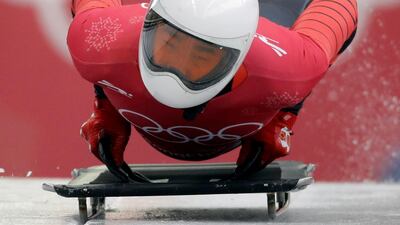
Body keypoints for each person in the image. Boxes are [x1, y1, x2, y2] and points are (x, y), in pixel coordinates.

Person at [68, 0, 358, 180]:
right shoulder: (98, 38)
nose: (177, 67)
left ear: (235, 58)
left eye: (200, 58)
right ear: (150, 27)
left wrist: (286, 113)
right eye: (169, 43)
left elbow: (341, 5)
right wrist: (104, 105)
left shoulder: (288, 65)